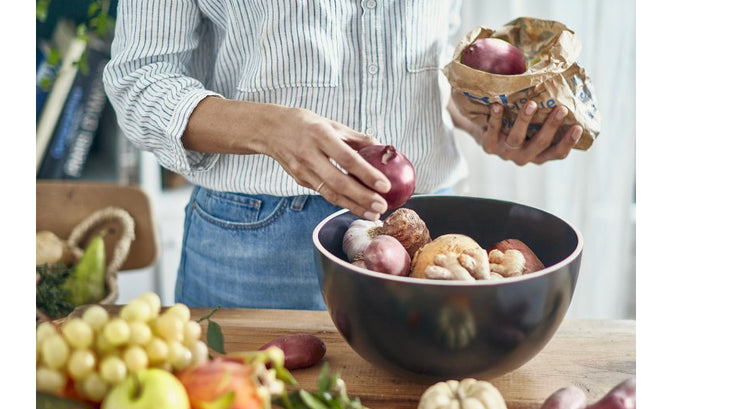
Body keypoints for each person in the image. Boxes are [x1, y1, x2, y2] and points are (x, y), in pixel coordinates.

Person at [103, 1, 583, 310]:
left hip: (430, 238)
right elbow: (139, 80)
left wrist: (484, 116)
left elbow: (431, 64)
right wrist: (272, 129)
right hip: (256, 249)